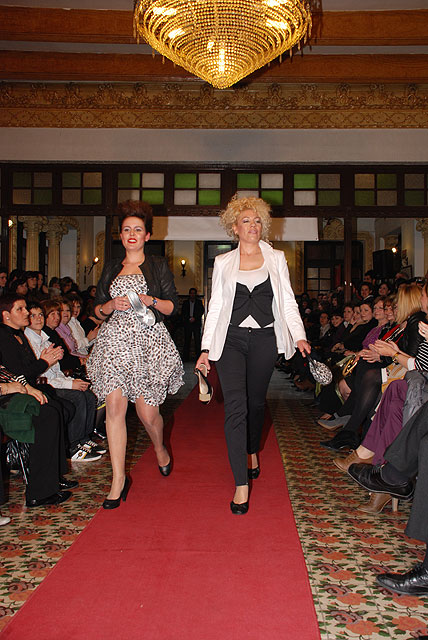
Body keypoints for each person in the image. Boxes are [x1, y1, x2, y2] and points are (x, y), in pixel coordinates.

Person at [195, 196, 310, 515]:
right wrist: (205, 349)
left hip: (264, 338)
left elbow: (288, 301)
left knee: (256, 404)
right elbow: (215, 307)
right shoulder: (223, 262)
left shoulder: (276, 258)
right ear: (235, 227)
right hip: (230, 339)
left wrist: (299, 335)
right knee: (236, 407)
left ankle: (251, 449)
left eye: (257, 220)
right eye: (246, 221)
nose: (252, 225)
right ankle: (241, 483)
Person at [87, 200, 184, 509]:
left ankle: (159, 447)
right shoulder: (111, 267)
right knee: (114, 406)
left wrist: (149, 299)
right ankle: (118, 479)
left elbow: (172, 306)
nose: (132, 234)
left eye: (138, 230)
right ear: (121, 235)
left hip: (147, 342)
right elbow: (97, 310)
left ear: (147, 235)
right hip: (115, 342)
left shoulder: (157, 265)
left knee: (147, 414)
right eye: (127, 229)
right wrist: (109, 305)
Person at [181, 287, 204, 361]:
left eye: (194, 293)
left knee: (197, 340)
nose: (192, 295)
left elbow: (201, 311)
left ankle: (198, 357)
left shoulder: (199, 302)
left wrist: (195, 318)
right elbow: (183, 312)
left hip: (196, 324)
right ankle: (185, 358)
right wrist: (188, 318)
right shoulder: (185, 303)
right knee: (187, 340)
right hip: (188, 324)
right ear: (189, 294)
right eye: (191, 293)